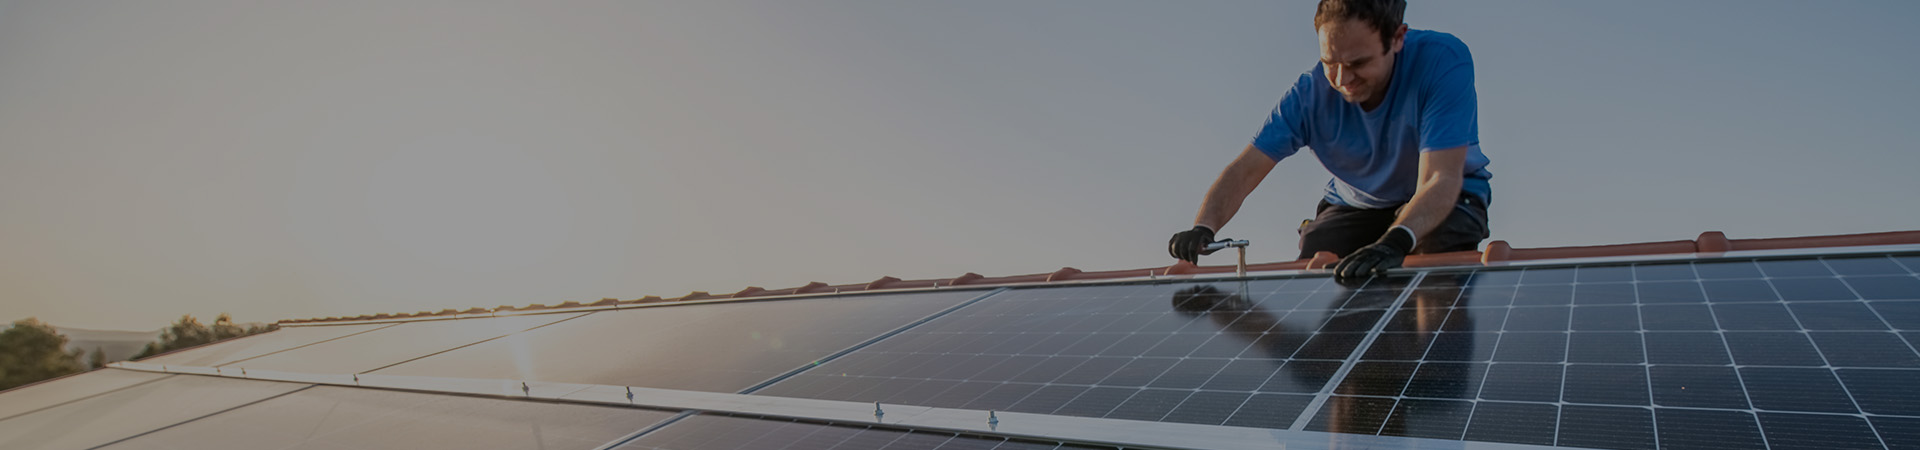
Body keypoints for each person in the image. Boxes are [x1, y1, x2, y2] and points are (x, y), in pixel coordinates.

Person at [1167, 0, 1492, 279]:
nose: (1342, 79)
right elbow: (1246, 169)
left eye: (1358, 64)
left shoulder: (1442, 61)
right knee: (1319, 273)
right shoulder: (1309, 95)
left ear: (1397, 38)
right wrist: (1204, 228)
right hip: (1356, 203)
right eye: (1330, 64)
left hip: (1446, 196)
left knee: (1431, 261)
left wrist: (1397, 240)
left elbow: (1439, 178)